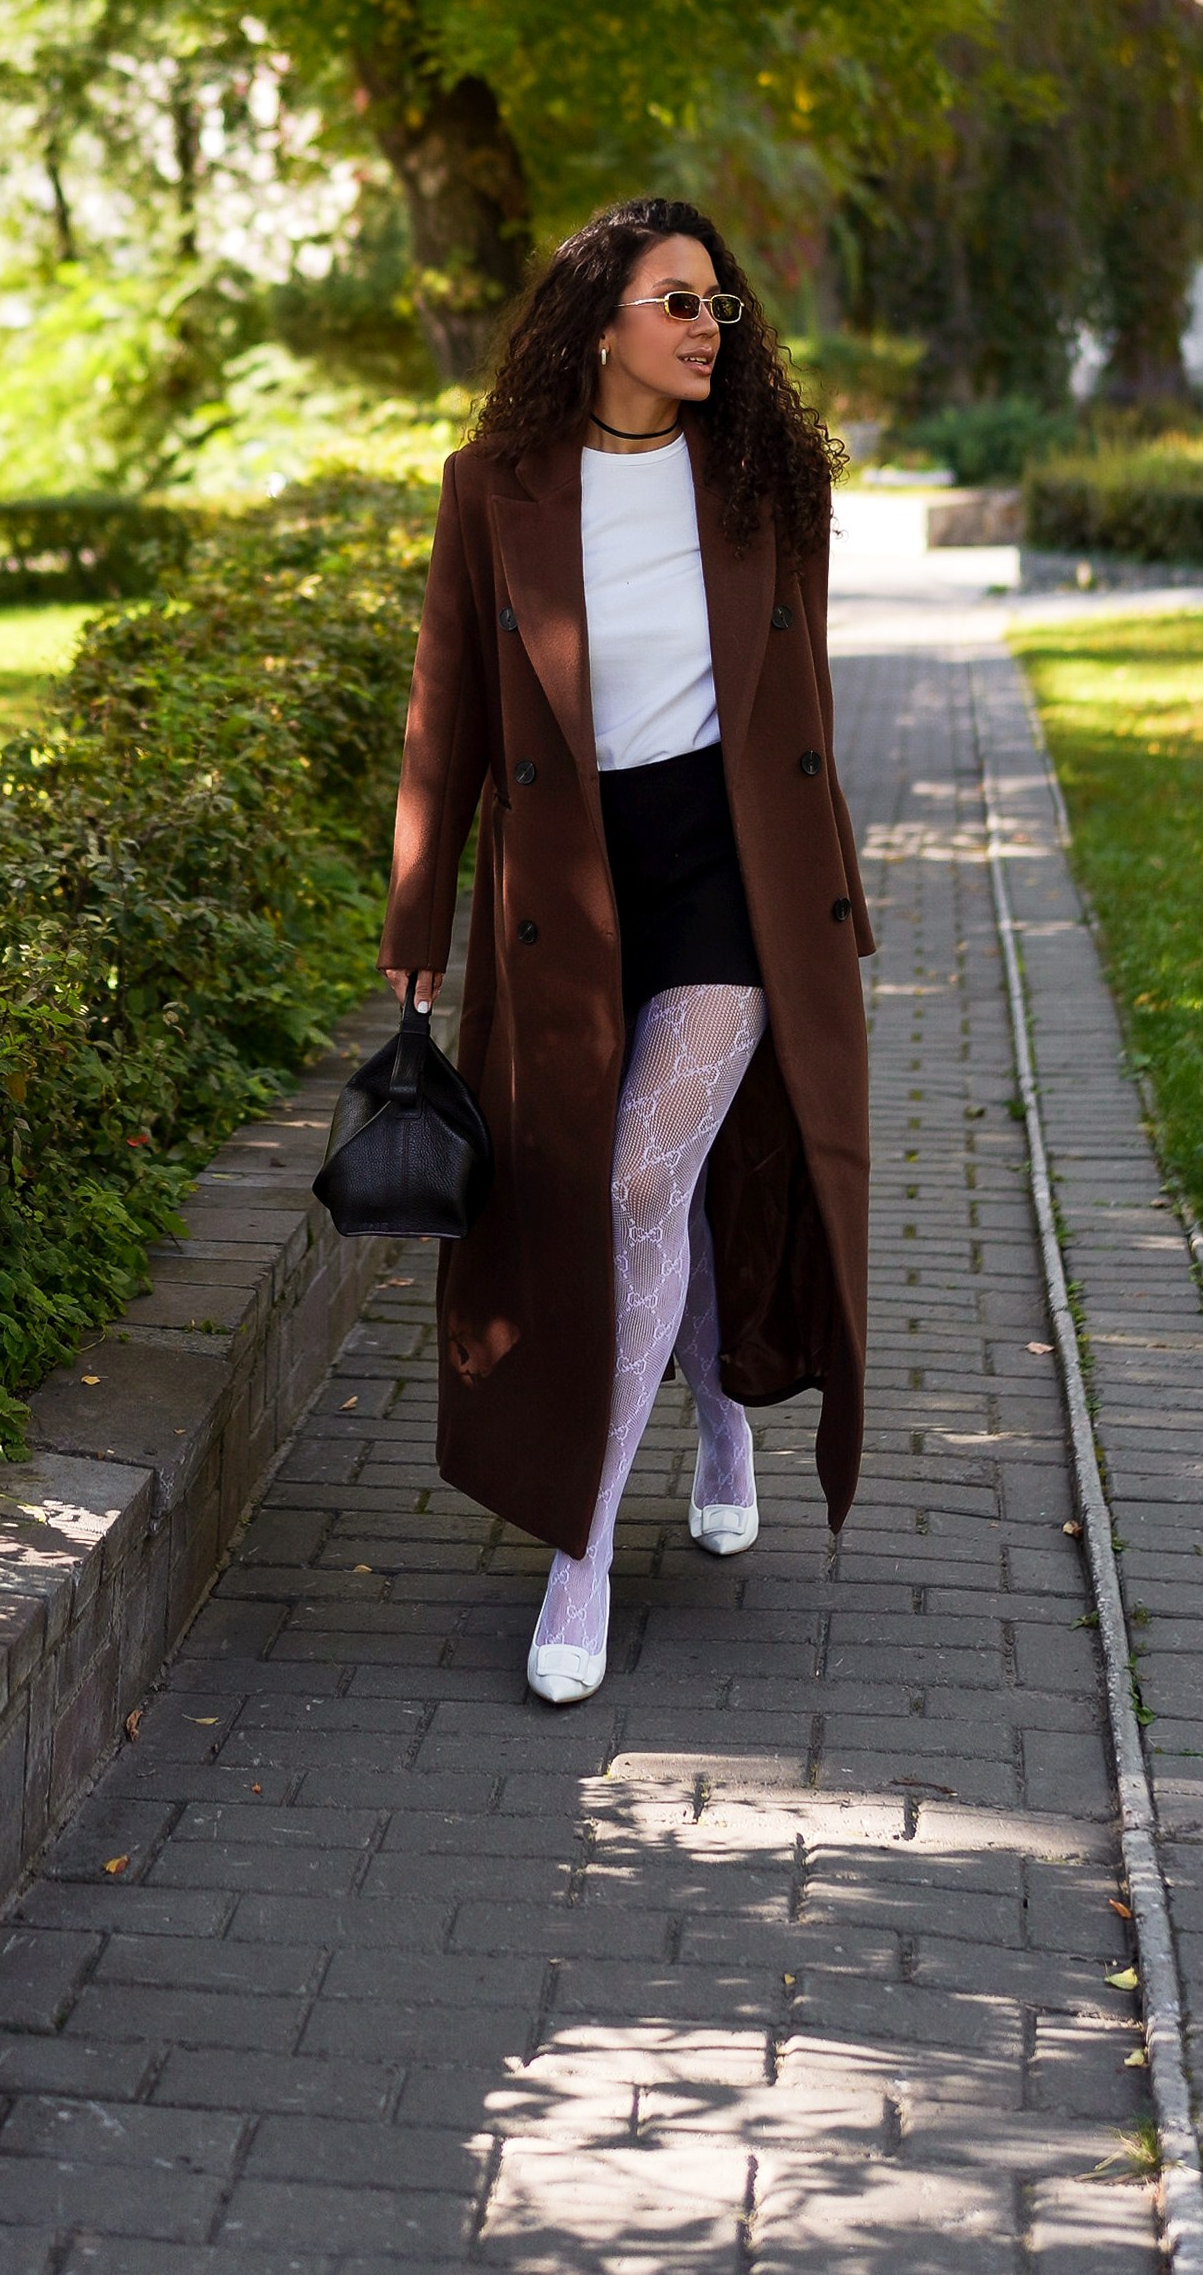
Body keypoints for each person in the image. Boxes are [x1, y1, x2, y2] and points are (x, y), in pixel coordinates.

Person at [381, 195, 873, 1704]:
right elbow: (446, 711)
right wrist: (414, 924)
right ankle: (718, 1410)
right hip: (573, 888)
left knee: (640, 1179)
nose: (705, 326)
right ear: (601, 321)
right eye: (676, 302)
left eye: (717, 305)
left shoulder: (762, 477)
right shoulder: (494, 489)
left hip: (731, 873)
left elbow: (804, 714)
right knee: (616, 1187)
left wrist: (833, 889)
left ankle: (581, 1548)